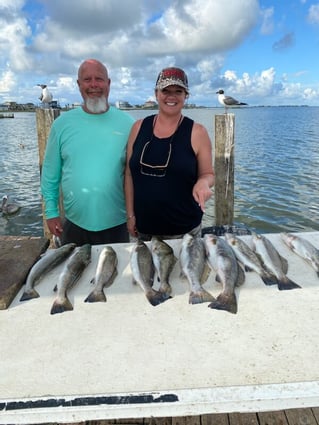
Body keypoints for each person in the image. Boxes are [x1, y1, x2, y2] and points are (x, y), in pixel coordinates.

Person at [41, 59, 134, 246]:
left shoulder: (129, 124)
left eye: (99, 79)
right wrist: (51, 213)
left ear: (109, 83)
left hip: (118, 224)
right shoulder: (61, 125)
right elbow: (50, 174)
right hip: (74, 223)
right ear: (78, 84)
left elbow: (135, 175)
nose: (93, 85)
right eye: (87, 79)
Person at [125, 66, 214, 240]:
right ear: (156, 93)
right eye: (166, 90)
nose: (171, 96)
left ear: (185, 96)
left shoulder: (198, 132)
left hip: (185, 232)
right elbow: (128, 174)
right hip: (143, 228)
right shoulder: (138, 127)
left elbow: (208, 173)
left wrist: (203, 183)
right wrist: (130, 215)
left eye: (178, 91)